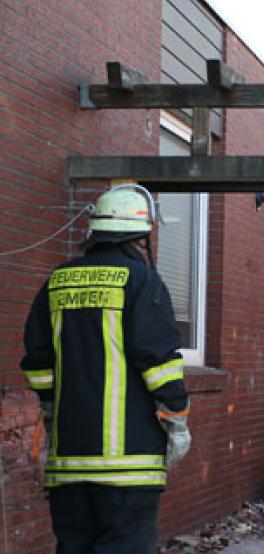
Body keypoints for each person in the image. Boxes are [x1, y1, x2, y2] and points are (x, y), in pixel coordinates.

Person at [20, 183, 191, 554]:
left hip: (68, 460)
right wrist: (176, 418)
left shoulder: (57, 282)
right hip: (130, 464)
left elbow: (37, 362)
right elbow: (159, 360)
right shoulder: (142, 281)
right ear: (141, 233)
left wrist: (51, 409)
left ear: (94, 231)